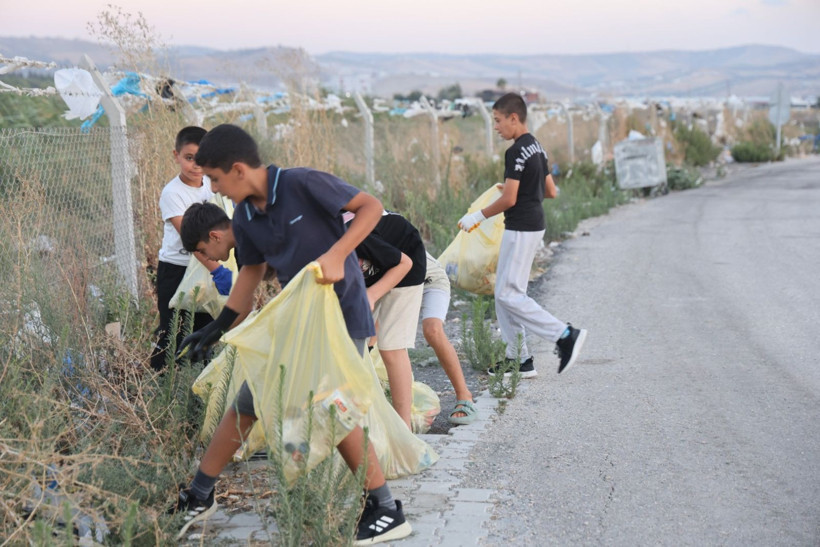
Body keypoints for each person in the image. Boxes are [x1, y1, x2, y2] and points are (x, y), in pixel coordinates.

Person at [171, 124, 411, 545]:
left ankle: (386, 508)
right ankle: (199, 494)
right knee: (250, 399)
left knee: (333, 407)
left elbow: (370, 207)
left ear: (239, 169)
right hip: (299, 322)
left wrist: (338, 252)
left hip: (342, 315)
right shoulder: (245, 216)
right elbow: (250, 273)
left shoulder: (302, 183)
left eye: (215, 178)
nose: (213, 187)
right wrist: (219, 326)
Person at [457, 93, 587, 377]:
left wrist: (477, 217)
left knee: (508, 293)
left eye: (499, 120)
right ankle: (519, 359)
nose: (496, 127)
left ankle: (565, 335)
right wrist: (517, 188)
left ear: (514, 118)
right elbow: (550, 191)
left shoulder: (515, 151)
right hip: (532, 224)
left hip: (521, 227)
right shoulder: (537, 147)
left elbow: (510, 200)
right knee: (505, 292)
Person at [150, 126, 233, 372]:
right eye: (189, 158)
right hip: (178, 271)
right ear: (176, 155)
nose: (196, 165)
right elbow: (191, 239)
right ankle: (159, 384)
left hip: (208, 270)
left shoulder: (212, 185)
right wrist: (218, 271)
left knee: (205, 329)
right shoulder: (173, 193)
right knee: (172, 331)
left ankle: (197, 386)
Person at [344, 210, 426, 430]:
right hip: (374, 271)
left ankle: (403, 428)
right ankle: (356, 420)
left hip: (405, 264)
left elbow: (404, 263)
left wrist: (372, 295)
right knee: (349, 342)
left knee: (391, 347)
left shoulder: (351, 234)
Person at [421, 252, 476, 425]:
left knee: (433, 331)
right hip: (396, 285)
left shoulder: (373, 229)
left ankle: (464, 394)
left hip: (429, 279)